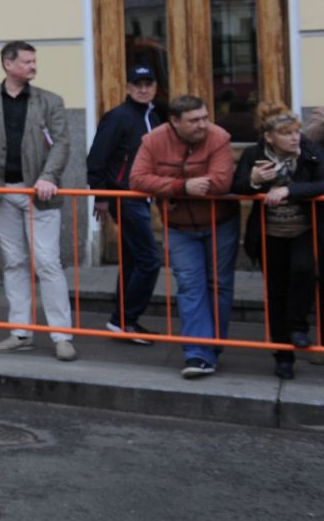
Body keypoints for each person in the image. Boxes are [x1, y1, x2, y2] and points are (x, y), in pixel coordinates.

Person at [0, 41, 77, 361]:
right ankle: (20, 332)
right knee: (13, 263)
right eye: (27, 61)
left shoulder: (50, 101)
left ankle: (62, 335)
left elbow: (62, 144)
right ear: (7, 64)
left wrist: (49, 177)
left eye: (34, 61)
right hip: (2, 193)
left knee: (47, 262)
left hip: (40, 193)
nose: (33, 66)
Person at [131, 95, 238, 379]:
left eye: (205, 117)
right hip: (179, 228)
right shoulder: (153, 140)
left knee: (220, 286)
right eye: (194, 120)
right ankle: (198, 354)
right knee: (191, 286)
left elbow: (221, 180)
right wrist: (182, 186)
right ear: (174, 122)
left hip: (220, 223)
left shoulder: (219, 138)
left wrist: (170, 188)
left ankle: (213, 347)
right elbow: (138, 178)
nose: (203, 124)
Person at [234, 103, 324, 380]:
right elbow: (236, 186)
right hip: (269, 233)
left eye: (295, 132)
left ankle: (298, 328)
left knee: (304, 270)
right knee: (275, 293)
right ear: (269, 137)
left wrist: (289, 189)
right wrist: (253, 180)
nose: (294, 137)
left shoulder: (309, 152)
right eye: (286, 134)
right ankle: (283, 355)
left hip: (304, 230)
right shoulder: (253, 154)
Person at [86, 65, 164, 343]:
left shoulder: (153, 117)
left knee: (133, 259)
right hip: (123, 196)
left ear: (155, 87)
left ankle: (122, 319)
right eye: (137, 84)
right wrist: (102, 197)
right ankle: (125, 319)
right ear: (128, 88)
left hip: (142, 197)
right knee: (150, 259)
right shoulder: (118, 117)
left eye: (148, 84)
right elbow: (96, 159)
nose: (143, 89)